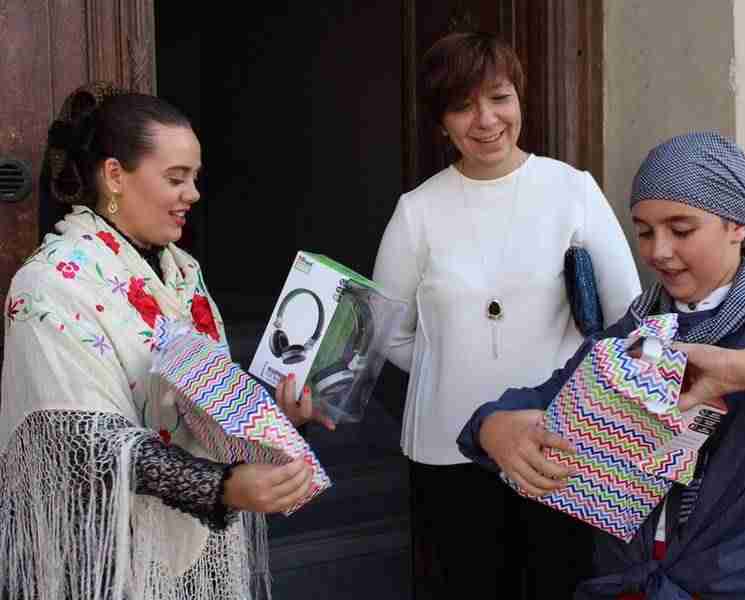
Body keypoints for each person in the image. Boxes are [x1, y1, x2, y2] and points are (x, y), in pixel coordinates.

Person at [457, 131, 745, 599]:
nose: (657, 251)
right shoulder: (637, 327)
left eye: (681, 229)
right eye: (644, 231)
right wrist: (495, 428)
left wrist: (739, 369)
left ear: (738, 226)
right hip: (634, 584)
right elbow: (549, 399)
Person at [0, 82, 332, 600]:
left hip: (200, 550)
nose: (194, 194)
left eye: (195, 178)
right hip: (107, 559)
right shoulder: (50, 284)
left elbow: (204, 401)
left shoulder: (181, 273)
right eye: (176, 178)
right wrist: (221, 487)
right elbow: (81, 441)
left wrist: (271, 422)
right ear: (114, 175)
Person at [373, 31, 642, 599]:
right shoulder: (417, 211)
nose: (486, 120)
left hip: (557, 447)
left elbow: (625, 318)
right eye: (462, 105)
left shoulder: (572, 190)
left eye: (499, 97)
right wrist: (453, 362)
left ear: (520, 99)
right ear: (440, 122)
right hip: (446, 448)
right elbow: (389, 334)